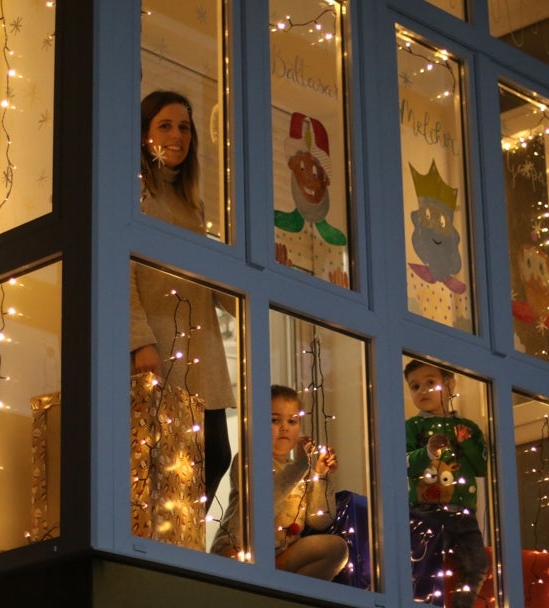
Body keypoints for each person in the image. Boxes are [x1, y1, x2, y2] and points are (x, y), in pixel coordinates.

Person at [131, 89, 237, 509]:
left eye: (185, 128)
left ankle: (186, 548)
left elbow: (218, 291)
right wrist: (140, 342)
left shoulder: (194, 207)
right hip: (161, 352)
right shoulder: (135, 193)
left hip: (202, 357)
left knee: (215, 457)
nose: (177, 136)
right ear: (143, 135)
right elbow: (123, 272)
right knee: (165, 468)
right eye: (165, 125)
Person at [211, 385, 349, 581]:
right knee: (240, 560)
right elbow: (264, 500)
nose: (284, 427)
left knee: (336, 548)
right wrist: (302, 464)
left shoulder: (301, 471)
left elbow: (320, 520)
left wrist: (321, 475)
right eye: (274, 420)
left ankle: (291, 592)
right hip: (238, 551)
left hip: (281, 558)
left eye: (292, 421)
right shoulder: (248, 459)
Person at [404, 359, 489, 608]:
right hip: (425, 512)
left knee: (477, 566)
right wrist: (427, 453)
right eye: (415, 386)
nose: (422, 391)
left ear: (450, 385)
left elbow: (481, 466)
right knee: (425, 564)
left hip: (464, 514)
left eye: (430, 383)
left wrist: (467, 443)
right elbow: (404, 463)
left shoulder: (467, 428)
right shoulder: (413, 427)